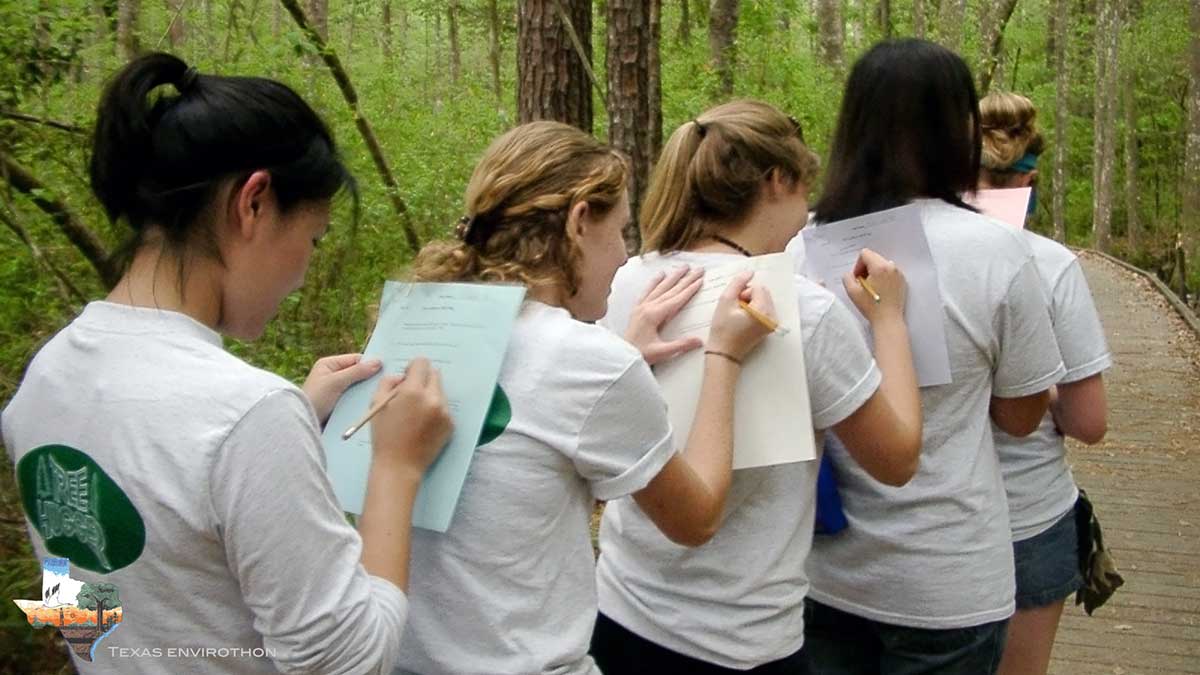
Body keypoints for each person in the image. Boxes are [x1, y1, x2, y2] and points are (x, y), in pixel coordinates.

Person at [1, 52, 452, 674]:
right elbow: (348, 661)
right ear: (255, 202)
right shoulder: (245, 413)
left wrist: (285, 425)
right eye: (313, 239)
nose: (303, 274)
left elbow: (86, 601)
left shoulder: (45, 377)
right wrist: (397, 468)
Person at [396, 120, 776, 675]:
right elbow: (695, 520)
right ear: (578, 222)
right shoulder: (586, 360)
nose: (625, 256)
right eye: (620, 230)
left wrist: (619, 356)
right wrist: (725, 354)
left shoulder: (420, 315)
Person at [590, 99, 922, 674]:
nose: (805, 213)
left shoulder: (622, 285)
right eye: (803, 192)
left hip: (622, 614)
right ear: (777, 181)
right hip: (743, 638)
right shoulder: (805, 310)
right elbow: (896, 460)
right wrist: (888, 319)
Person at [798, 40, 1066, 675]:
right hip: (948, 576)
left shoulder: (800, 243)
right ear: (959, 131)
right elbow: (1023, 418)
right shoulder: (1000, 250)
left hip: (821, 570)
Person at [979, 91, 1112, 675]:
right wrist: (1039, 384)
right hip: (1023, 516)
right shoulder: (1052, 266)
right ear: (1029, 182)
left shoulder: (893, 256)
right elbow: (1089, 423)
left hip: (912, 520)